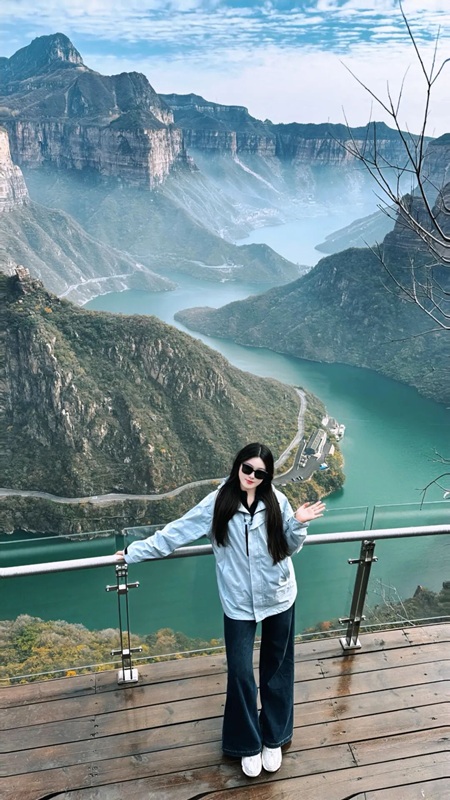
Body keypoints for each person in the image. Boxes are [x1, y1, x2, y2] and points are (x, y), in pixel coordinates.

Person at [115, 442, 325, 778]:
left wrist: (298, 524)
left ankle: (274, 737)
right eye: (247, 468)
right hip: (238, 602)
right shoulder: (217, 503)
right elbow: (175, 533)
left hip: (280, 595)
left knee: (278, 669)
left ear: (267, 476)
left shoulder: (277, 501)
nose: (251, 477)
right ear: (238, 465)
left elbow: (287, 548)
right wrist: (132, 553)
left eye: (260, 473)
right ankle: (247, 743)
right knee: (240, 673)